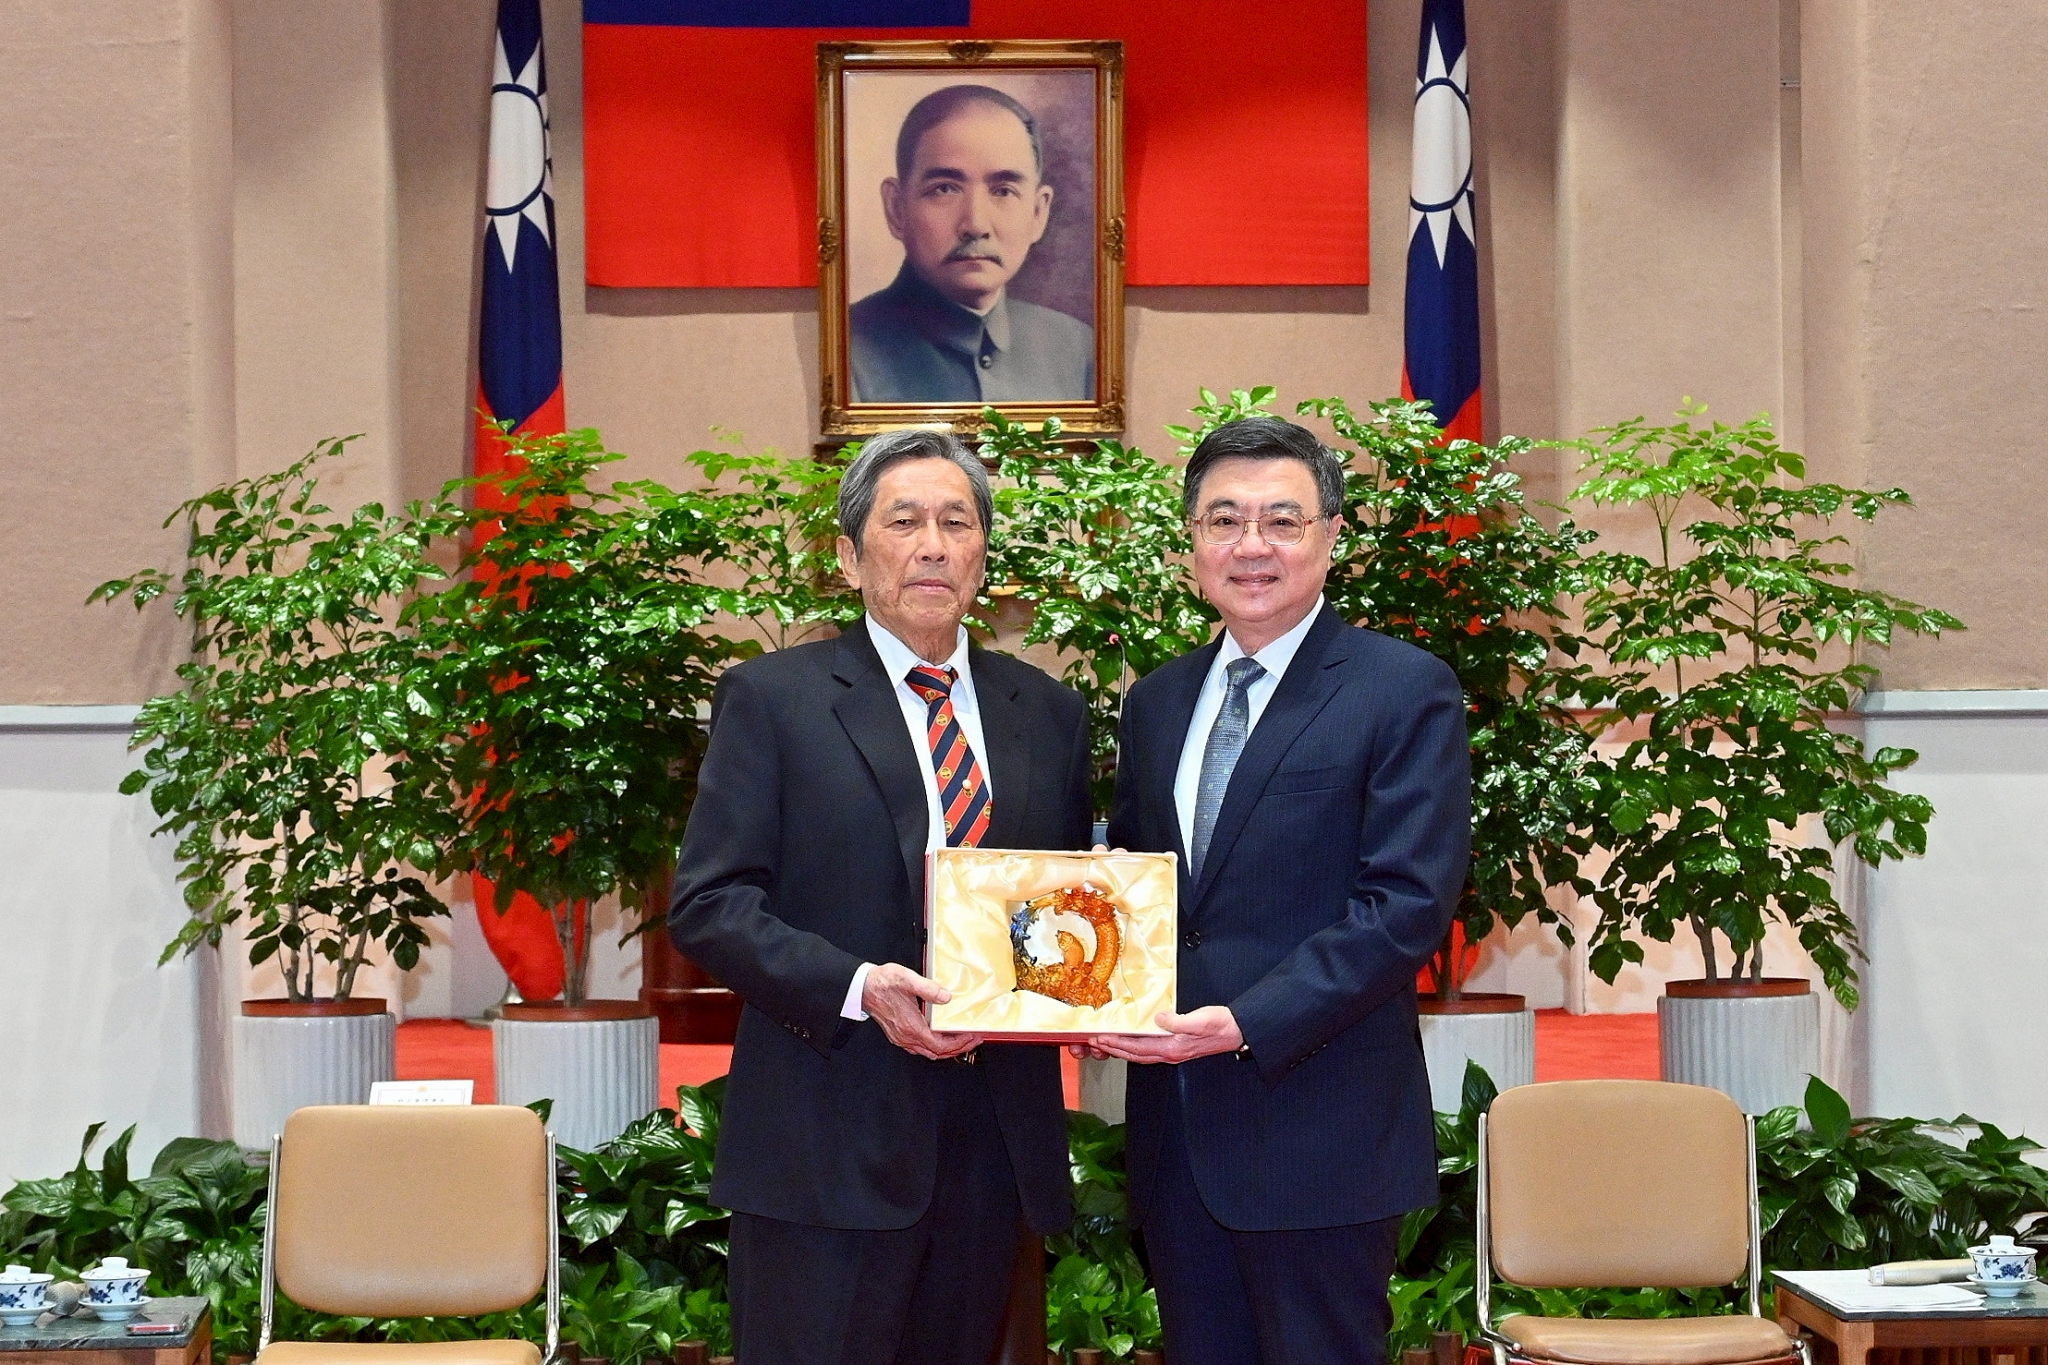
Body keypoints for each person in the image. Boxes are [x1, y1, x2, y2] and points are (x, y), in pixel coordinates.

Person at [668, 427, 1092, 1365]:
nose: (933, 545)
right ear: (849, 555)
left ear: (984, 553)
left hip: (994, 1150)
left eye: (956, 522)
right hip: (826, 1142)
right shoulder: (772, 700)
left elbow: (1060, 902)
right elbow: (710, 902)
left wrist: (1094, 991)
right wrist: (862, 986)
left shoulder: (1049, 713)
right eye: (904, 522)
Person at [1089, 416, 1472, 1365]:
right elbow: (1138, 891)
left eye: (1281, 520)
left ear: (1331, 537)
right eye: (1224, 520)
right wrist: (1086, 989)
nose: (1250, 545)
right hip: (1178, 1140)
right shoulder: (1158, 703)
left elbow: (1406, 907)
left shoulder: (1402, 688)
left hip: (1319, 1135)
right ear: (1192, 542)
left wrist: (1244, 1020)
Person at [850, 83, 1094, 404]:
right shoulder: (848, 352)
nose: (976, 225)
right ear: (897, 208)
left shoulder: (1076, 348)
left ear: (1038, 213)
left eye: (1003, 191)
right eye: (945, 189)